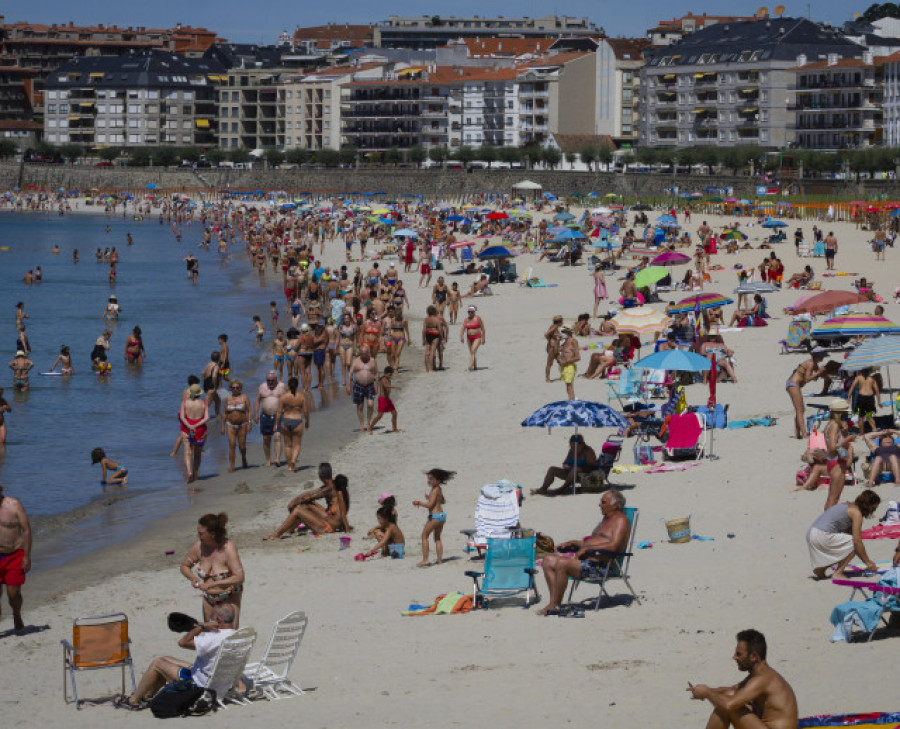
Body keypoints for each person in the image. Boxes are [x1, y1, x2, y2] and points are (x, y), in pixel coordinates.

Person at [113, 603, 238, 711]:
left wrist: (202, 627)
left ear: (218, 620)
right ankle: (147, 695)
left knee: (157, 663)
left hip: (200, 684)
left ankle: (133, 701)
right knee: (165, 658)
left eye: (212, 618)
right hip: (219, 680)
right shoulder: (236, 635)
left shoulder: (212, 639)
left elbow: (183, 643)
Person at [537, 490, 630, 615]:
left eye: (603, 502)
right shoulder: (606, 519)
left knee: (563, 564)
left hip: (600, 567)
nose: (599, 505)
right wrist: (574, 543)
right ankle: (553, 602)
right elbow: (594, 541)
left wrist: (585, 549)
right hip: (587, 561)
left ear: (615, 505)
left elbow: (613, 546)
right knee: (548, 560)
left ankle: (555, 605)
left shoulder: (621, 521)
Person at [687, 629, 798, 729]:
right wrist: (703, 691)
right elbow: (732, 690)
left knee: (728, 707)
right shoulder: (760, 674)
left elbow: (728, 705)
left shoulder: (763, 679)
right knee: (726, 700)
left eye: (739, 654)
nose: (734, 657)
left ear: (754, 656)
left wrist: (708, 693)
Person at [180, 513, 244, 626]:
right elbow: (184, 566)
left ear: (212, 534)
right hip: (208, 598)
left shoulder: (228, 547)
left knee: (229, 636)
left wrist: (213, 584)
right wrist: (193, 578)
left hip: (229, 596)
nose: (198, 536)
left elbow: (239, 577)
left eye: (201, 534)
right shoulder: (198, 547)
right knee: (211, 634)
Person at [806, 490, 881, 580]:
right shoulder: (857, 513)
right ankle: (838, 573)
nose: (873, 511)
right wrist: (867, 562)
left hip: (811, 533)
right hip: (822, 535)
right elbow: (857, 541)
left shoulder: (847, 505)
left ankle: (821, 569)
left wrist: (865, 560)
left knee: (845, 548)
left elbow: (848, 536)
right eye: (873, 509)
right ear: (868, 506)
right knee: (853, 543)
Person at [265, 463, 350, 538]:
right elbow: (313, 493)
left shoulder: (330, 488)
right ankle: (290, 529)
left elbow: (314, 495)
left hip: (328, 527)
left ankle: (277, 534)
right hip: (329, 520)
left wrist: (347, 530)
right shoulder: (335, 487)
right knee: (306, 505)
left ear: (321, 476)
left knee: (298, 510)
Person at [0, 485, 31, 632]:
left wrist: (26, 556)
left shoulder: (14, 505)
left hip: (14, 555)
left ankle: (16, 614)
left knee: (13, 595)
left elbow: (26, 530)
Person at [532, 434, 598, 496]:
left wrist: (579, 468)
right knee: (552, 469)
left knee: (576, 469)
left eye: (574, 446)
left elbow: (593, 468)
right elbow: (565, 463)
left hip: (585, 477)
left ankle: (562, 489)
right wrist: (566, 466)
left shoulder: (589, 452)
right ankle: (543, 489)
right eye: (571, 446)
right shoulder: (571, 451)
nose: (572, 448)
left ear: (582, 445)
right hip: (571, 474)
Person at [413, 468, 454, 567]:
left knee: (424, 536)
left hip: (435, 516)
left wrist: (419, 503)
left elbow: (430, 505)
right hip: (442, 516)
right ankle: (439, 560)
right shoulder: (439, 489)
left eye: (431, 479)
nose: (429, 481)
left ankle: (425, 559)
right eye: (428, 478)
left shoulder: (435, 490)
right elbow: (442, 501)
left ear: (438, 480)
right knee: (437, 538)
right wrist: (430, 498)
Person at [785, 347, 829, 439]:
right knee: (800, 410)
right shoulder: (811, 363)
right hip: (793, 384)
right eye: (822, 356)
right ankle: (804, 434)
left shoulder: (814, 363)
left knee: (799, 410)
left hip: (793, 384)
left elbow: (817, 375)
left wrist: (824, 376)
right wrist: (818, 373)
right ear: (817, 356)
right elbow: (807, 378)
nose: (823, 358)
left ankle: (797, 434)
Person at [823, 398, 856, 510]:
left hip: (834, 461)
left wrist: (845, 434)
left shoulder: (831, 424)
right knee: (833, 498)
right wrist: (848, 439)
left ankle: (826, 522)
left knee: (833, 497)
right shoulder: (834, 425)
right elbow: (832, 447)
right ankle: (826, 524)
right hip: (836, 462)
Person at [276, 376, 310, 472]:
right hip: (297, 421)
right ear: (297, 385)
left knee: (288, 445)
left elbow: (278, 412)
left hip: (286, 420)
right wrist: (307, 422)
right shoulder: (302, 397)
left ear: (288, 386)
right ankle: (294, 460)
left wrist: (276, 424)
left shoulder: (283, 397)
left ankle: (289, 467)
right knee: (297, 445)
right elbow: (306, 411)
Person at [254, 371, 286, 468]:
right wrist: (255, 414)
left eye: (272, 380)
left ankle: (277, 459)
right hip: (265, 416)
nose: (270, 382)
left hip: (278, 415)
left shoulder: (282, 387)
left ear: (276, 379)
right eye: (268, 380)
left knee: (277, 436)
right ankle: (268, 460)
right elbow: (257, 401)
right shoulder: (262, 387)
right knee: (266, 439)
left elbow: (288, 398)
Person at [180, 383, 210, 484]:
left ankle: (189, 472)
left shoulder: (184, 402)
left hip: (186, 429)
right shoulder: (203, 403)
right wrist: (196, 425)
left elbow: (182, 417)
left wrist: (189, 425)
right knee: (197, 454)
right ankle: (195, 474)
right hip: (200, 429)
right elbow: (206, 418)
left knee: (187, 452)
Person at [221, 380, 251, 473]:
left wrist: (250, 422)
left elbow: (249, 411)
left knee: (242, 446)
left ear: (240, 388)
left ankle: (243, 458)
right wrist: (222, 426)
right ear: (231, 388)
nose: (235, 389)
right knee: (232, 445)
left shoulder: (244, 397)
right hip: (230, 424)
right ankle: (232, 466)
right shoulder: (228, 399)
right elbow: (225, 413)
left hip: (242, 424)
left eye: (237, 388)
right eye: (233, 388)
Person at [347, 344, 378, 431]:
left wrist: (377, 386)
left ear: (368, 353)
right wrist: (348, 386)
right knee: (360, 407)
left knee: (370, 405)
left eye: (365, 353)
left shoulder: (372, 360)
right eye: (362, 353)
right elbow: (350, 373)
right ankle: (361, 424)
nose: (364, 355)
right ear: (360, 353)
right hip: (358, 386)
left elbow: (376, 373)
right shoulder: (355, 361)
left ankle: (368, 422)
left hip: (370, 385)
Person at [368, 366, 401, 434]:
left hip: (388, 399)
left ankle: (395, 428)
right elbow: (386, 386)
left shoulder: (389, 379)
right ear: (385, 373)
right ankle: (370, 427)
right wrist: (394, 387)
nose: (391, 376)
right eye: (390, 374)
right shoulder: (383, 379)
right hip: (382, 399)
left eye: (391, 374)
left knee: (394, 413)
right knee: (380, 415)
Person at [848, 367, 880, 434]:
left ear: (861, 371)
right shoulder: (872, 379)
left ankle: (861, 433)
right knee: (869, 414)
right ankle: (874, 429)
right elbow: (877, 390)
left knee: (860, 416)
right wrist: (879, 401)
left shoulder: (858, 378)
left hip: (861, 398)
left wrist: (849, 397)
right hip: (870, 398)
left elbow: (852, 387)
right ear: (869, 372)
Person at [557, 325, 580, 400]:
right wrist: (558, 341)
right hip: (563, 366)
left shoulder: (573, 341)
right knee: (567, 386)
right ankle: (571, 399)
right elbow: (556, 351)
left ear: (568, 332)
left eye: (563, 332)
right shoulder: (564, 342)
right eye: (562, 332)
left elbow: (578, 357)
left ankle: (572, 400)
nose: (562, 333)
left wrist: (565, 362)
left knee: (569, 385)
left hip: (569, 366)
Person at [461, 305, 485, 371]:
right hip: (469, 338)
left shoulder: (478, 318)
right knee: (472, 352)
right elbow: (463, 328)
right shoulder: (466, 320)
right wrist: (462, 336)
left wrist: (483, 338)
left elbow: (483, 328)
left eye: (471, 312)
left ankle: (470, 366)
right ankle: (475, 367)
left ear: (474, 312)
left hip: (477, 337)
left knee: (473, 350)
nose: (470, 313)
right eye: (469, 312)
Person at [544, 315, 563, 383]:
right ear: (559, 321)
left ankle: (563, 376)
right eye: (562, 321)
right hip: (552, 347)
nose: (562, 323)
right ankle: (547, 379)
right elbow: (546, 334)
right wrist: (550, 340)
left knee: (560, 361)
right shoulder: (554, 327)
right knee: (550, 363)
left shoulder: (555, 327)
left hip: (555, 347)